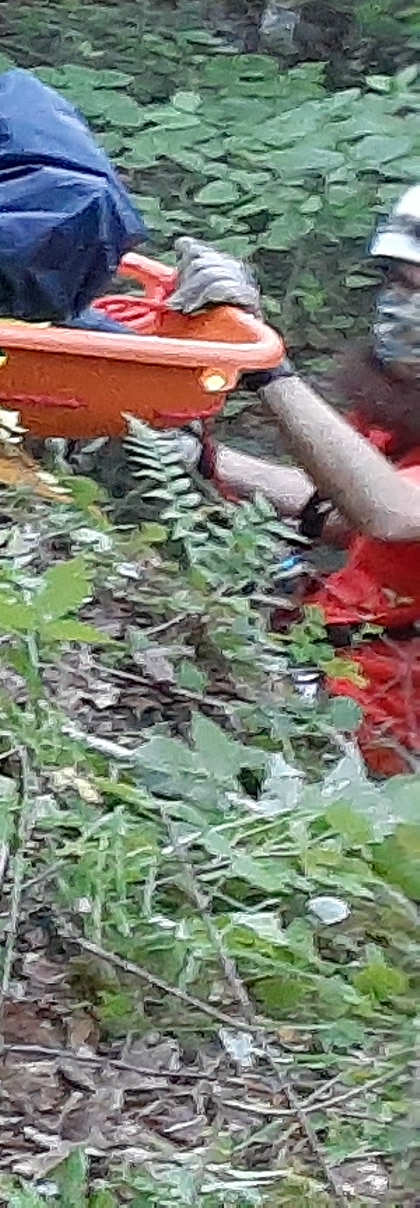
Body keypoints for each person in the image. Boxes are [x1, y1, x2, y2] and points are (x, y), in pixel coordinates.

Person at [158, 192, 420, 775]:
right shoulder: (403, 408)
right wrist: (200, 460)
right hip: (347, 699)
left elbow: (394, 512)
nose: (402, 306)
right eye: (397, 283)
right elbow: (345, 509)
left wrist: (262, 364)